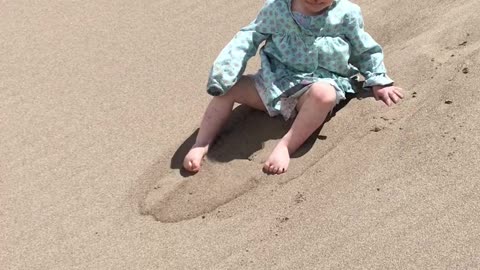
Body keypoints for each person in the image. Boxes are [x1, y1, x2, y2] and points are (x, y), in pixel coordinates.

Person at [183, 0, 403, 174]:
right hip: (273, 83)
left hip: (317, 86)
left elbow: (364, 50)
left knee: (324, 95)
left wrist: (378, 80)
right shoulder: (276, 9)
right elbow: (248, 37)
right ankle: (202, 143)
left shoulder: (347, 13)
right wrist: (225, 72)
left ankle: (286, 146)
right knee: (228, 89)